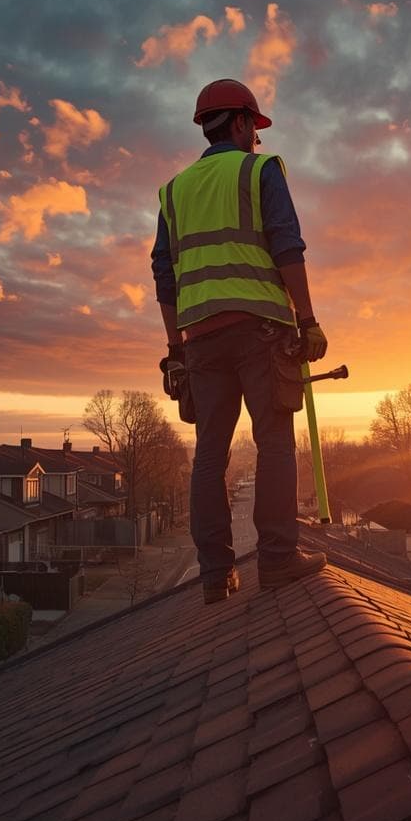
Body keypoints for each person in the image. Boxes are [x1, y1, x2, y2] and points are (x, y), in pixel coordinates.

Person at [151, 78, 329, 604]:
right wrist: (309, 319)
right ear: (240, 122)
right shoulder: (260, 170)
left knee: (209, 455)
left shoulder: (175, 191)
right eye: (254, 125)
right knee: (274, 441)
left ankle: (215, 575)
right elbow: (287, 244)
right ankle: (276, 560)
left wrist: (174, 348)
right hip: (261, 329)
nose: (257, 136)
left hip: (201, 339)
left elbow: (165, 275)